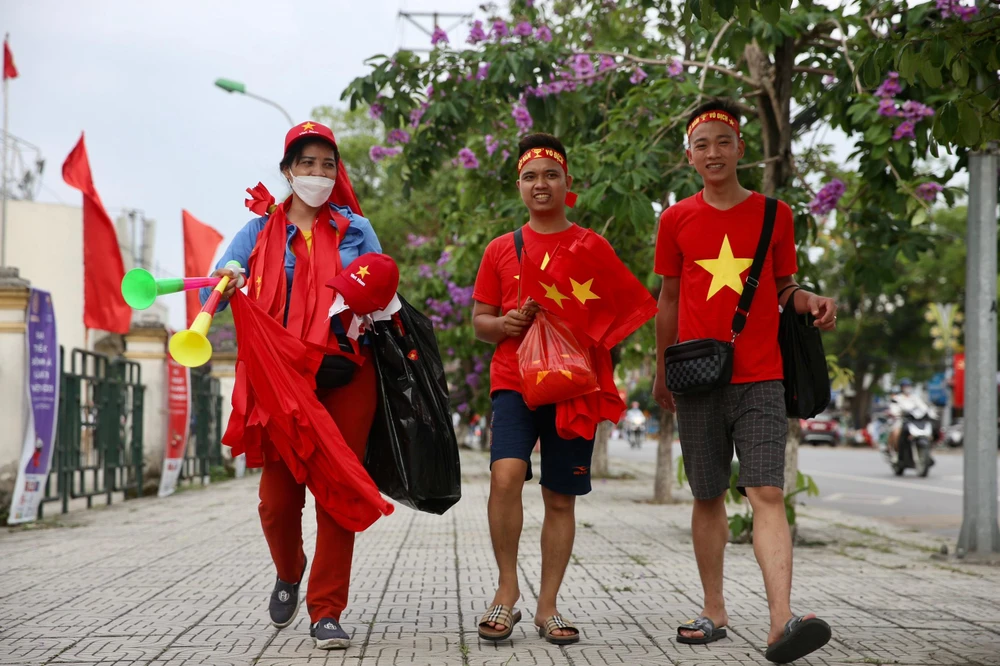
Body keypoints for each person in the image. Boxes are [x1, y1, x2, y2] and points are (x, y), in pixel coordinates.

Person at [652, 99, 837, 664]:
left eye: (723, 142)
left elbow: (783, 289)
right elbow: (669, 299)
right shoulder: (675, 219)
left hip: (762, 376)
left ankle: (782, 621)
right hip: (696, 376)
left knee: (767, 492)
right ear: (689, 155)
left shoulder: (775, 215)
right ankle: (714, 611)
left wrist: (810, 301)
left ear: (740, 149)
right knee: (707, 495)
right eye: (702, 144)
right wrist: (662, 372)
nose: (713, 152)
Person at [203, 120, 382, 651]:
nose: (318, 174)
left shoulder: (357, 228)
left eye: (328, 164)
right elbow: (214, 289)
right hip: (281, 382)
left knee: (337, 492)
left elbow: (381, 290)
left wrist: (355, 333)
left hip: (346, 375)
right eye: (307, 163)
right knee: (277, 503)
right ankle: (289, 568)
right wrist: (231, 276)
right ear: (287, 171)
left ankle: (326, 609)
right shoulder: (259, 231)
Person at [471, 132, 592, 645]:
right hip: (513, 380)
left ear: (568, 184)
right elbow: (479, 321)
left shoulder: (591, 247)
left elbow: (613, 315)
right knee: (506, 476)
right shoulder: (501, 248)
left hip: (570, 385)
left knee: (559, 497)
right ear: (519, 185)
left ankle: (549, 607)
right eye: (530, 176)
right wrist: (506, 326)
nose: (540, 184)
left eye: (550, 175)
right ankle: (506, 592)